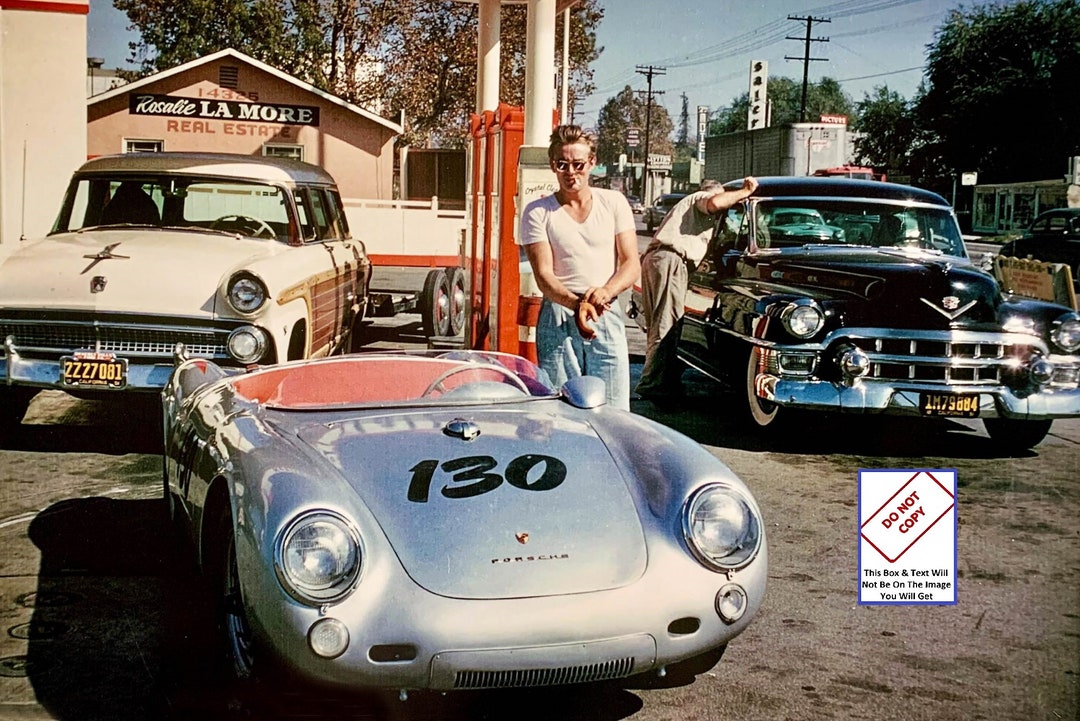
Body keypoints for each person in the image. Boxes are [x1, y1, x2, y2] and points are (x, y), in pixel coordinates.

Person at [518, 125, 640, 410]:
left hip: (604, 312)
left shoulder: (614, 203)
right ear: (553, 166)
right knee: (560, 408)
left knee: (613, 410)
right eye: (562, 164)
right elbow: (544, 276)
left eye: (578, 164)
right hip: (559, 314)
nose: (570, 172)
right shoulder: (537, 212)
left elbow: (631, 263)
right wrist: (577, 305)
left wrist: (605, 293)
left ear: (592, 163)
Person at [635, 176, 759, 401]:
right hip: (671, 260)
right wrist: (744, 191)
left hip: (658, 259)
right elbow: (714, 203)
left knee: (660, 323)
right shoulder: (701, 199)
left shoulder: (689, 210)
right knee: (667, 324)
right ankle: (653, 385)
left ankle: (661, 379)